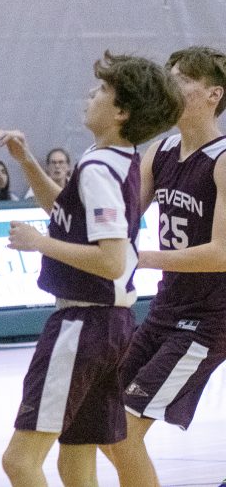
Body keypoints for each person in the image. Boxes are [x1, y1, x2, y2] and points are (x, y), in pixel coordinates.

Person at [0, 51, 182, 487]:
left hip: (82, 322)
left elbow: (112, 261)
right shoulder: (118, 157)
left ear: (120, 111)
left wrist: (40, 243)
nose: (90, 94)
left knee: (19, 461)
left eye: (102, 90)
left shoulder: (97, 166)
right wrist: (26, 160)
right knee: (74, 460)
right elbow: (65, 212)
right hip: (113, 325)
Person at [104, 46, 226, 486]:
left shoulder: (223, 159)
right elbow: (124, 218)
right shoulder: (162, 149)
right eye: (168, 75)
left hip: (209, 319)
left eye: (183, 78)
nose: (170, 83)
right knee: (105, 422)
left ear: (214, 94)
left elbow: (221, 253)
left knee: (125, 432)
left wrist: (141, 257)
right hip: (163, 311)